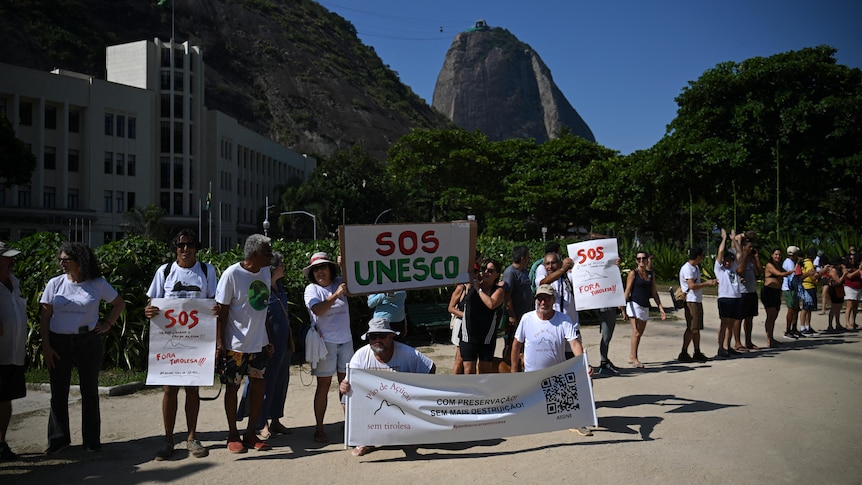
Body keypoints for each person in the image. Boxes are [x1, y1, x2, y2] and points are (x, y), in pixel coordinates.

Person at [39, 242, 125, 454]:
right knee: (58, 392)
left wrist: (107, 324)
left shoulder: (96, 283)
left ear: (79, 261)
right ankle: (58, 439)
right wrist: (47, 347)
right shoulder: (55, 284)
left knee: (89, 391)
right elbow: (45, 317)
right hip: (59, 342)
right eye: (60, 259)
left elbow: (119, 303)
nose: (62, 264)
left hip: (87, 340)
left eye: (66, 260)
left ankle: (91, 440)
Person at [146, 229, 217, 461]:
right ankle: (168, 440)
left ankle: (192, 438)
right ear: (175, 248)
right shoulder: (164, 271)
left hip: (197, 339)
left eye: (189, 245)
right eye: (180, 245)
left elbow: (215, 303)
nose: (185, 249)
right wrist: (149, 310)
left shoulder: (207, 271)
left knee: (192, 389)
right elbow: (152, 302)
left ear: (197, 247)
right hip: (169, 340)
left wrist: (216, 312)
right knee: (169, 389)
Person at [339, 317, 435, 457]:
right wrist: (344, 386)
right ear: (368, 338)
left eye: (382, 336)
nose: (378, 340)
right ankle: (365, 439)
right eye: (373, 336)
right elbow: (349, 383)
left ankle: (409, 435)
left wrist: (419, 387)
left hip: (403, 399)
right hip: (372, 399)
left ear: (391, 336)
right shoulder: (360, 355)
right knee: (346, 398)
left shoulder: (409, 353)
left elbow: (430, 368)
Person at [215, 234, 273, 453]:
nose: (270, 257)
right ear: (255, 254)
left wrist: (268, 339)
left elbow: (263, 307)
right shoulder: (232, 274)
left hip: (259, 344)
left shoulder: (265, 271)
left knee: (258, 387)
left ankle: (250, 434)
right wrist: (220, 344)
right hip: (235, 346)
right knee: (233, 388)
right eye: (267, 253)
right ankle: (232, 434)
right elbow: (221, 312)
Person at [510, 284, 593, 435]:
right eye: (540, 299)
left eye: (547, 299)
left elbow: (574, 343)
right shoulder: (527, 318)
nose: (543, 302)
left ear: (553, 300)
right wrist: (514, 370)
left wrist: (583, 364)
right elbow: (516, 345)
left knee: (583, 381)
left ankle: (577, 421)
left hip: (556, 376)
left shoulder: (563, 320)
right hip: (531, 378)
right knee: (529, 416)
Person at [237, 251, 293, 440]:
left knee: (281, 382)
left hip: (283, 344)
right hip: (268, 344)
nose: (284, 266)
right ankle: (263, 423)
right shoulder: (262, 288)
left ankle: (275, 419)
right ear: (273, 268)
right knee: (266, 384)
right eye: (281, 264)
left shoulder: (280, 287)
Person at [303, 251, 353, 443]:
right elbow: (318, 309)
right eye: (315, 269)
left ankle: (350, 424)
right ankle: (319, 428)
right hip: (325, 344)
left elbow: (357, 278)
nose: (319, 272)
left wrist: (344, 263)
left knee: (346, 385)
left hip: (345, 341)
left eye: (323, 267)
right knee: (323, 386)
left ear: (330, 269)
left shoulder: (340, 281)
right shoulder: (312, 290)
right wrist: (337, 294)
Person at [0, 242, 26, 461]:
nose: (12, 262)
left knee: (6, 399)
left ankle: (2, 442)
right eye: (7, 258)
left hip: (12, 353)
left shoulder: (14, 283)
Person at [457, 259, 506, 374]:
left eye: (490, 270)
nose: (485, 272)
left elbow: (491, 304)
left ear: (497, 274)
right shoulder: (471, 285)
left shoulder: (498, 290)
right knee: (468, 371)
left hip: (486, 336)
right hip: (468, 334)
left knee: (484, 371)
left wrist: (478, 289)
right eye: (484, 270)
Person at [623, 250, 666, 368]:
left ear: (647, 259)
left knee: (639, 333)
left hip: (645, 305)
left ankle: (632, 356)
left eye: (643, 258)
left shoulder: (650, 274)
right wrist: (622, 308)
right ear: (636, 261)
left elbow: (654, 292)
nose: (641, 261)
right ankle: (635, 359)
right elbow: (627, 290)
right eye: (639, 259)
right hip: (634, 304)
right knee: (636, 332)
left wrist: (660, 308)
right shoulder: (633, 273)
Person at [678, 247, 717, 362]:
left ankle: (697, 351)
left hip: (697, 299)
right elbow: (691, 286)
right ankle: (684, 352)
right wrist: (707, 283)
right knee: (691, 327)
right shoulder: (687, 269)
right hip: (691, 300)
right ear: (698, 256)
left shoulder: (695, 268)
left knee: (696, 328)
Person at [714, 229, 744, 358]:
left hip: (736, 297)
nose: (728, 262)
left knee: (731, 324)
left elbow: (740, 254)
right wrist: (724, 238)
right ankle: (721, 348)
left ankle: (728, 346)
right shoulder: (719, 269)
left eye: (730, 260)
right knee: (724, 323)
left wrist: (734, 240)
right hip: (725, 298)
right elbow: (720, 252)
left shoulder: (733, 268)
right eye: (726, 260)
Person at [502, 245, 532, 368]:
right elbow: (507, 295)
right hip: (515, 317)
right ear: (522, 257)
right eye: (528, 255)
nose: (529, 258)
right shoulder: (510, 273)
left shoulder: (524, 271)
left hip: (526, 316)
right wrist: (511, 315)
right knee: (512, 344)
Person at [760, 248, 793, 347]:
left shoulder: (779, 266)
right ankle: (769, 339)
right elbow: (780, 274)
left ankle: (771, 338)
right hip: (768, 292)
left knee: (774, 317)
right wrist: (793, 271)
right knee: (770, 316)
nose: (778, 256)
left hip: (776, 292)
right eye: (776, 254)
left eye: (779, 255)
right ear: (771, 255)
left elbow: (783, 273)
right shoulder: (770, 265)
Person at [736, 233, 763, 350]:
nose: (751, 249)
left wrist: (756, 257)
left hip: (751, 291)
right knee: (739, 318)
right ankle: (737, 342)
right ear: (744, 247)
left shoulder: (752, 259)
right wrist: (745, 255)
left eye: (752, 247)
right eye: (749, 247)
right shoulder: (740, 257)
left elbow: (759, 272)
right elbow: (740, 271)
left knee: (749, 318)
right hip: (741, 292)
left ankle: (748, 341)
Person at [781, 246, 804, 340]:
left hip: (792, 288)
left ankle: (794, 329)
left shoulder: (790, 262)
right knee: (791, 309)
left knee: (795, 309)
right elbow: (794, 276)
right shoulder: (789, 263)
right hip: (789, 288)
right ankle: (788, 330)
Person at [798, 248, 820, 335]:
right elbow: (813, 277)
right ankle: (803, 327)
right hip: (808, 286)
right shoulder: (809, 264)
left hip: (808, 286)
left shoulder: (805, 262)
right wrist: (821, 274)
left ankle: (808, 326)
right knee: (806, 307)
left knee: (809, 308)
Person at [823, 257, 846, 333]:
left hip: (838, 289)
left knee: (838, 308)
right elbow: (838, 281)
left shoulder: (835, 270)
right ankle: (830, 325)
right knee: (834, 308)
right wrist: (844, 274)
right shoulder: (834, 270)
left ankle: (837, 324)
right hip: (835, 289)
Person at [842, 252, 861, 331]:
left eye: (853, 258)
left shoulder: (856, 267)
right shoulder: (845, 267)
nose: (852, 260)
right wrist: (859, 270)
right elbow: (849, 276)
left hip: (858, 287)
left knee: (855, 306)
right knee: (849, 305)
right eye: (850, 259)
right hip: (850, 287)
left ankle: (853, 322)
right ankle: (847, 322)